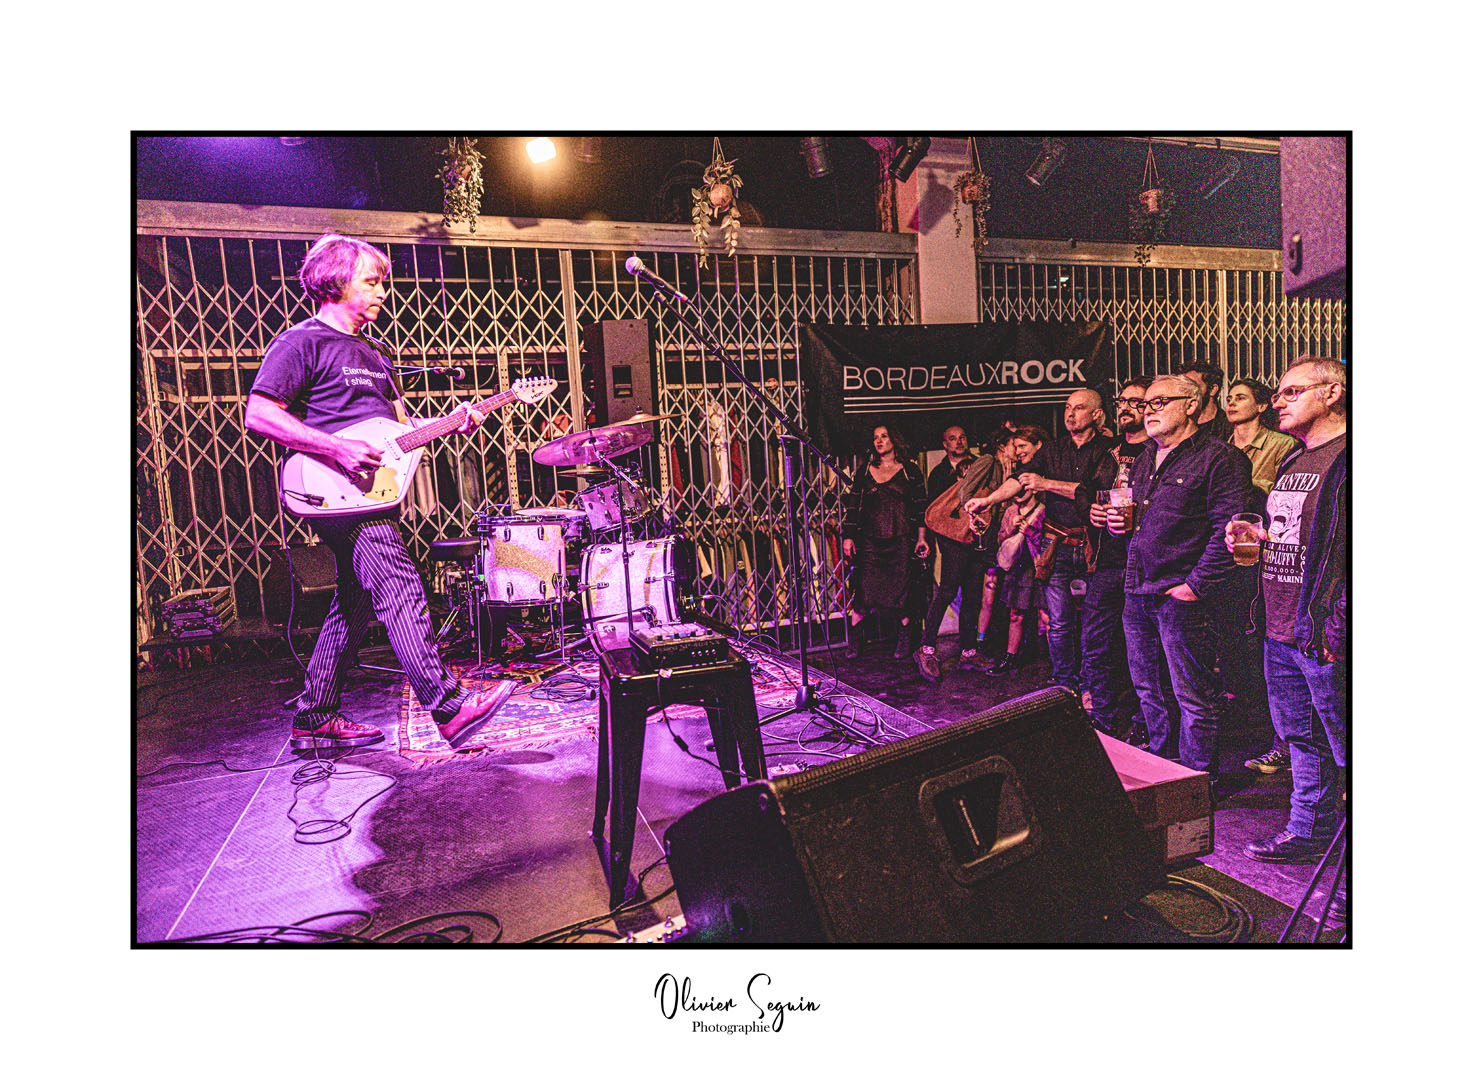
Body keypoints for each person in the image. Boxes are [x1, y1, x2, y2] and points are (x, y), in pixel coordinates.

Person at [245, 233, 518, 751]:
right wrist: (336, 448)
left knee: (355, 600)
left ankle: (315, 715)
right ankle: (450, 707)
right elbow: (259, 414)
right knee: (399, 584)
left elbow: (398, 431)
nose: (382, 293)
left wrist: (454, 420)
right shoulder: (300, 342)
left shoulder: (374, 355)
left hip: (369, 493)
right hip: (330, 487)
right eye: (371, 282)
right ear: (335, 281)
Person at [1106, 374, 1252, 782]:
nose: (1147, 411)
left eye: (1158, 402)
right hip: (1138, 591)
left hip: (1180, 596)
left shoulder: (1220, 458)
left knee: (1193, 697)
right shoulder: (1144, 459)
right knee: (1150, 691)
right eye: (1144, 405)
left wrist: (1194, 587)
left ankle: (1196, 784)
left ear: (1190, 405)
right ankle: (1163, 774)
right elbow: (1138, 524)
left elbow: (1231, 528)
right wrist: (1118, 527)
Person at [1231, 358, 1347, 865]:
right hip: (1281, 624)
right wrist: (1259, 536)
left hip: (1324, 630)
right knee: (1301, 737)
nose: (1277, 401)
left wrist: (1339, 624)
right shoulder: (1295, 459)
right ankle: (1308, 831)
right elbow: (1298, 533)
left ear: (1332, 393)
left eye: (1291, 391)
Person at [964, 391, 1117, 694]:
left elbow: (1096, 489)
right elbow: (1020, 478)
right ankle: (1064, 687)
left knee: (1095, 624)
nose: (1070, 414)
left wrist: (1047, 484)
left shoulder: (1109, 449)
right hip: (1056, 542)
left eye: (1079, 408)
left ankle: (1092, 687)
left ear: (1097, 415)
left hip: (1094, 544)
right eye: (1067, 408)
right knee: (1058, 622)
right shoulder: (1052, 449)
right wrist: (988, 500)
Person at [1225, 377, 1301, 772]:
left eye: (1240, 397)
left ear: (1259, 406)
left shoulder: (1283, 445)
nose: (1231, 403)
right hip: (1236, 555)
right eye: (1229, 397)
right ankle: (1269, 736)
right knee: (1247, 650)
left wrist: (1240, 484)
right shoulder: (1221, 447)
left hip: (1277, 556)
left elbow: (1283, 500)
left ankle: (1291, 748)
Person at [1080, 377, 1153, 737]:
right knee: (1095, 641)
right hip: (1108, 562)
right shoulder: (1106, 451)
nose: (1125, 407)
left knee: (1143, 648)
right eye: (1121, 401)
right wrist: (1090, 510)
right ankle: (1104, 718)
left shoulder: (1158, 452)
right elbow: (1084, 490)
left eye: (1135, 402)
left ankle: (1144, 723)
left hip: (1144, 564)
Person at [841, 424, 929, 661]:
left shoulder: (910, 470)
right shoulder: (865, 471)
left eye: (884, 436)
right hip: (870, 542)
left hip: (901, 540)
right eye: (875, 437)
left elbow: (921, 507)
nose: (879, 441)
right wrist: (848, 536)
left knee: (902, 592)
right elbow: (853, 506)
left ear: (894, 439)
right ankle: (855, 642)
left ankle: (904, 639)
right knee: (864, 592)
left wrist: (922, 537)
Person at [917, 424, 993, 681]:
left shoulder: (981, 465)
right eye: (952, 439)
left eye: (962, 437)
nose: (958, 442)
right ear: (945, 444)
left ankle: (969, 651)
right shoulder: (939, 474)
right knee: (948, 590)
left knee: (973, 593)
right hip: (951, 538)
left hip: (977, 534)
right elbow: (935, 511)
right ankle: (927, 648)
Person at [1180, 361, 1235, 443]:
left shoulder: (1230, 427)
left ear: (1212, 389)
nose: (1185, 392)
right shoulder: (1179, 425)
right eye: (1183, 387)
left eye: (1192, 385)